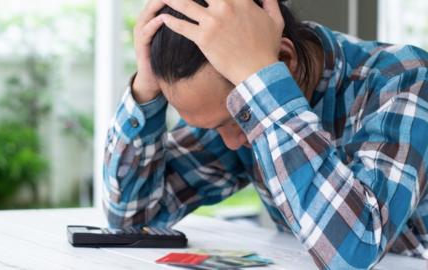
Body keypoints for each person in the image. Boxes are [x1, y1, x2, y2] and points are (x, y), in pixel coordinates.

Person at [103, 0, 428, 268]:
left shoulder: (405, 79)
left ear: (284, 59)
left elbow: (353, 252)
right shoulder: (224, 106)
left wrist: (263, 83)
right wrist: (145, 91)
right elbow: (134, 220)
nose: (229, 142)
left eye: (237, 120)